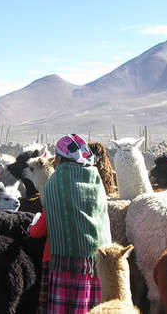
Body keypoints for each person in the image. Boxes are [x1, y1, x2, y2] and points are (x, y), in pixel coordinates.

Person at [30, 134, 112, 314]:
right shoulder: (95, 180)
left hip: (63, 264)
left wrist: (31, 227)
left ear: (59, 158)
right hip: (95, 262)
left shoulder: (56, 183)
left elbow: (39, 229)